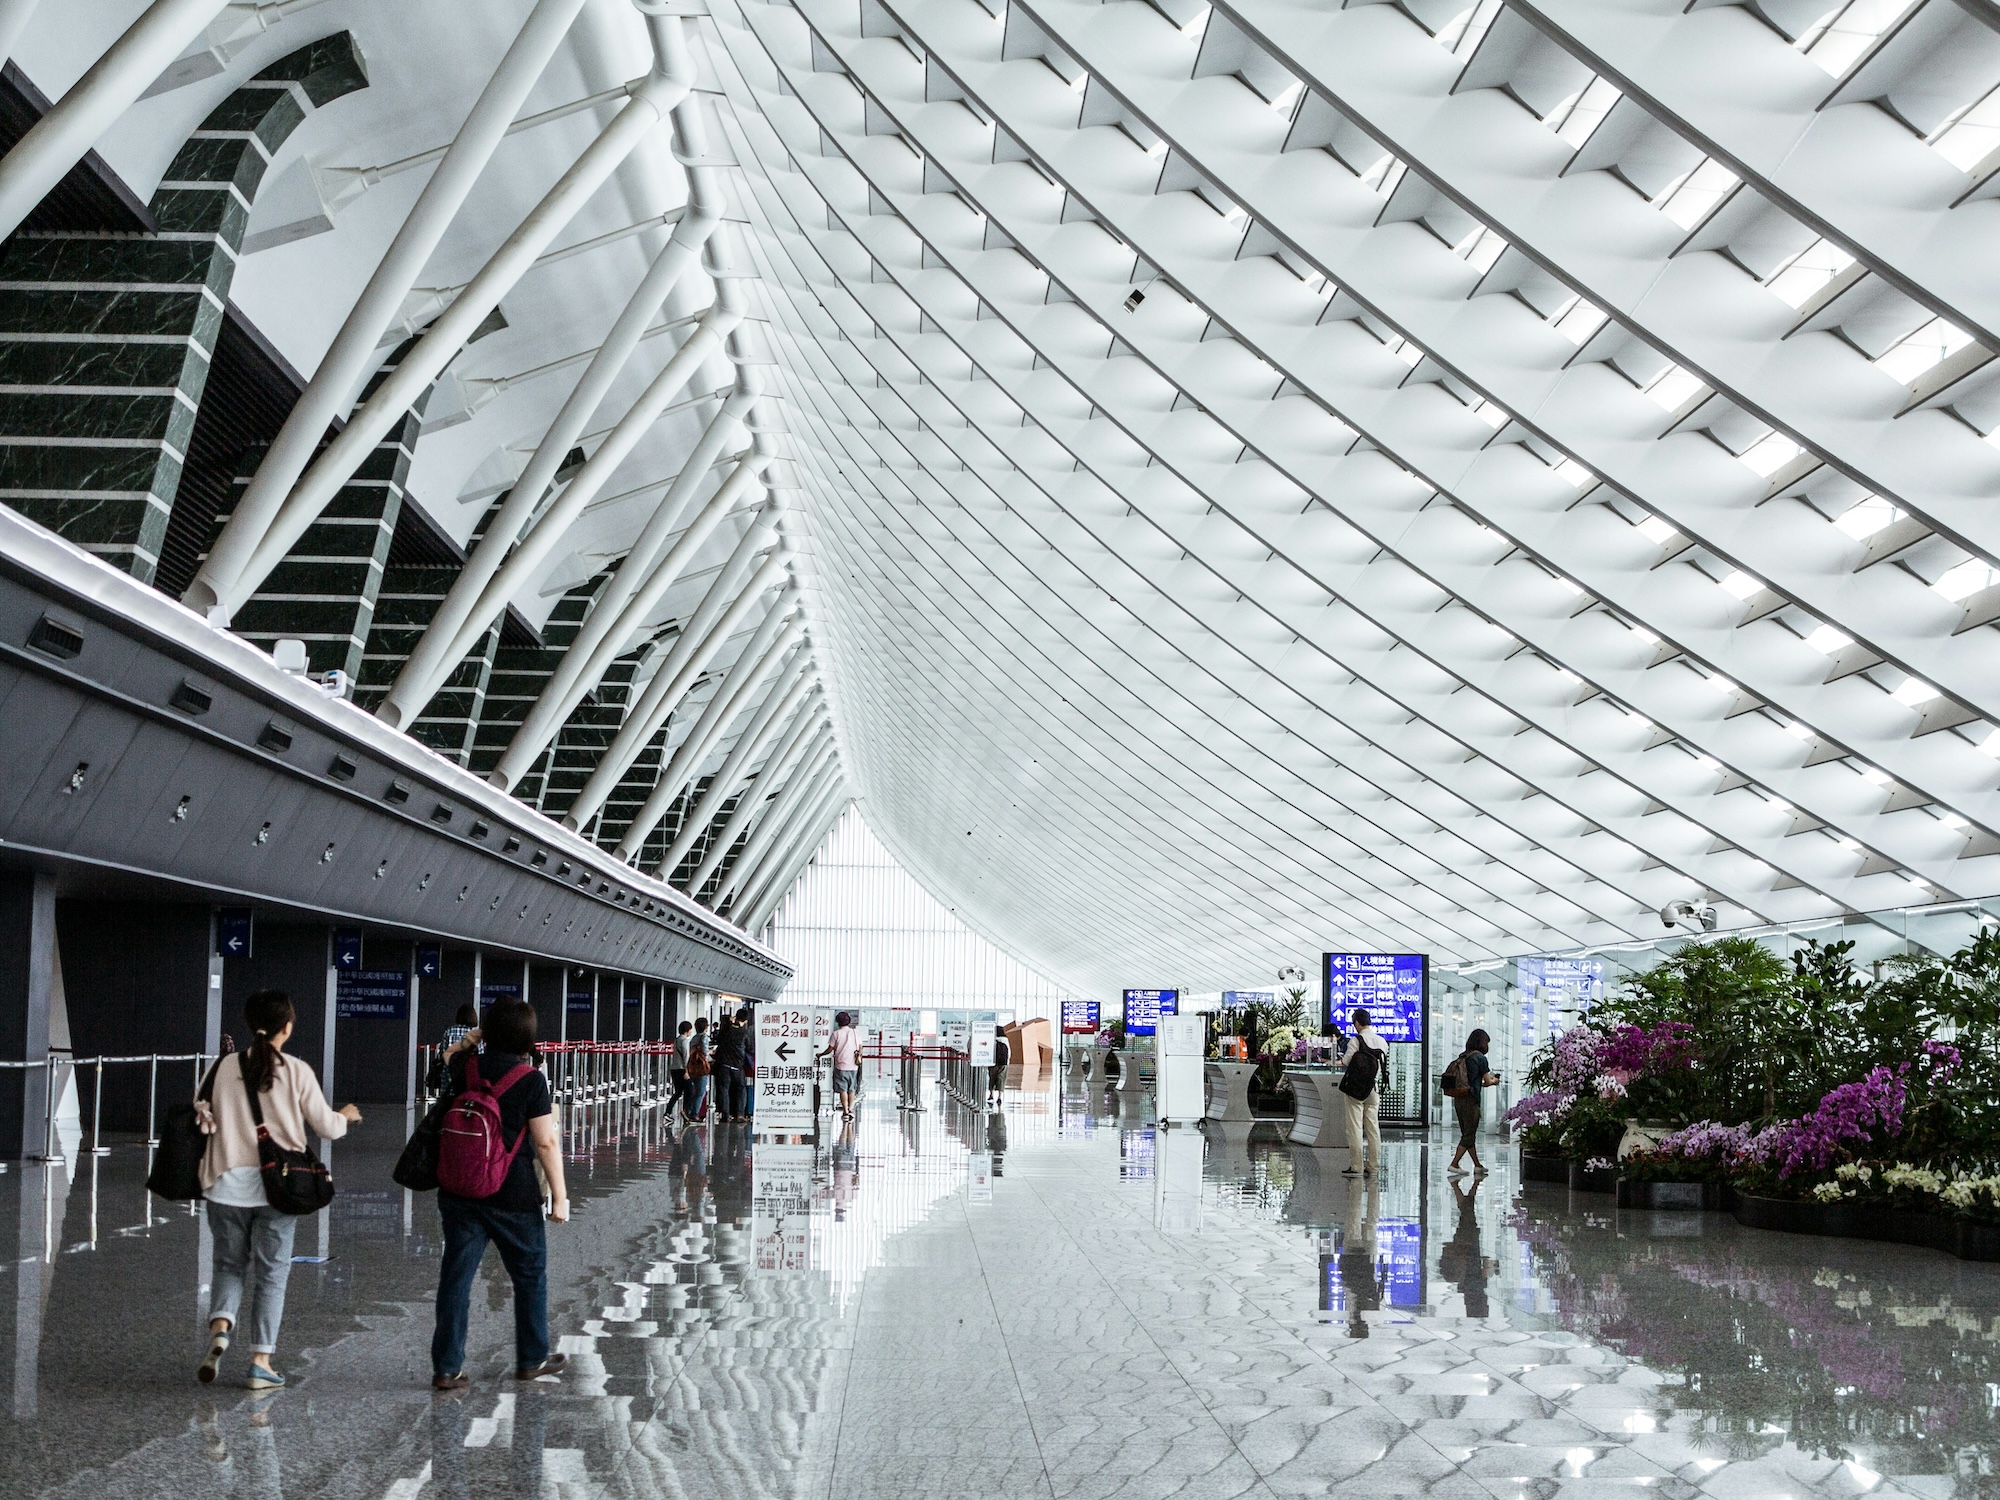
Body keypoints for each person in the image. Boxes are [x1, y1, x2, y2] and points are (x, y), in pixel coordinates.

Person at [195, 988, 361, 1389]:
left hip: (224, 1184)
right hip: (278, 1188)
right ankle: (260, 1362)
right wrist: (346, 1116)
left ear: (250, 1024)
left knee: (228, 1265)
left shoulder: (220, 1068)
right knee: (272, 1275)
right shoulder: (296, 1070)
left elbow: (201, 1113)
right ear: (286, 1028)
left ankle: (220, 1328)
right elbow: (325, 1127)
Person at [430, 997, 571, 1391]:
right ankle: (531, 1358)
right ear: (528, 1037)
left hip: (460, 1188)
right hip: (513, 1194)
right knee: (529, 1276)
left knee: (456, 1278)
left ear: (488, 1032)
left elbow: (445, 1058)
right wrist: (559, 1197)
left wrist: (470, 1040)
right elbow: (545, 1143)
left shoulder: (465, 1067)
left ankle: (447, 1367)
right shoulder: (531, 1079)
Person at [1337, 1007, 1387, 1178]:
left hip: (1356, 1090)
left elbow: (1345, 1061)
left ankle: (1356, 1166)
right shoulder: (1382, 1041)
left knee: (1355, 1128)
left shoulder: (1356, 1040)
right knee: (1373, 1128)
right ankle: (1373, 1166)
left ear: (1357, 1022)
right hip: (1373, 1089)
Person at [1447, 1027, 1500, 1177]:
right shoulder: (1480, 1058)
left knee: (1467, 1134)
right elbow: (1488, 1081)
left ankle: (1477, 1165)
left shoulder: (1463, 1057)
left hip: (1459, 1098)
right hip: (1471, 1101)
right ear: (1482, 1043)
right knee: (1469, 1135)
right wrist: (1495, 1080)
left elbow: (1472, 1082)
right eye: (1487, 1043)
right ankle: (1454, 1164)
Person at [821, 1011, 862, 1120]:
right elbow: (860, 1047)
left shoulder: (836, 1034)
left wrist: (820, 1054)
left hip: (841, 1065)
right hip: (854, 1065)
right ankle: (851, 1109)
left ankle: (845, 1111)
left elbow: (830, 1049)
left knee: (842, 1089)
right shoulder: (855, 1033)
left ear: (838, 1022)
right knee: (851, 1089)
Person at [713, 1009, 752, 1122]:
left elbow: (718, 1039)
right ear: (745, 1020)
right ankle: (740, 1114)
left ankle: (725, 1114)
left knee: (724, 1089)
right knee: (740, 1089)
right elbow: (749, 1047)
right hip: (738, 1066)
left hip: (724, 1064)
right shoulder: (744, 1032)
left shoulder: (726, 1030)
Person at [686, 1016, 712, 1121]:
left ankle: (688, 1110)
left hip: (693, 1066)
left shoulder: (694, 1038)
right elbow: (705, 1052)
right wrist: (711, 1053)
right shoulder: (704, 1037)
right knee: (701, 1091)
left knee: (694, 1090)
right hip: (701, 1067)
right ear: (706, 1027)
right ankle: (694, 1114)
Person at [670, 1019, 693, 1118]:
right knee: (689, 1090)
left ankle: (668, 1112)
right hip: (682, 1070)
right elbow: (686, 1057)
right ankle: (685, 1111)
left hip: (674, 1069)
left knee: (678, 1092)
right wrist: (687, 1071)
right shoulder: (685, 1041)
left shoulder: (677, 1040)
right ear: (687, 1030)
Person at [987, 1027, 1010, 1105]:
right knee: (1001, 1079)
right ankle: (999, 1096)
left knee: (992, 1078)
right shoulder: (1005, 1040)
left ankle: (991, 1094)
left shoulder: (992, 1039)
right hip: (1004, 1062)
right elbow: (1009, 1052)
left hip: (993, 1062)